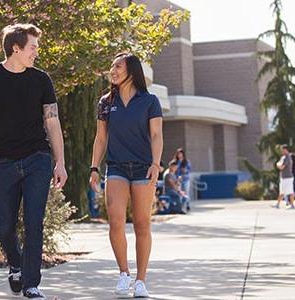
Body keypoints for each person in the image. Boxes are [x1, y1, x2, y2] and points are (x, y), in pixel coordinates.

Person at [0, 23, 67, 300]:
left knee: (34, 222)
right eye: (33, 47)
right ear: (15, 48)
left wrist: (59, 161)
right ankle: (15, 263)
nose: (37, 52)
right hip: (4, 162)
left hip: (38, 158)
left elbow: (52, 121)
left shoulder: (41, 80)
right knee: (4, 227)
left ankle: (31, 284)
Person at [89, 52, 163, 298]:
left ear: (132, 70)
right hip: (117, 167)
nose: (113, 70)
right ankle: (123, 273)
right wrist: (94, 168)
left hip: (144, 168)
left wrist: (155, 163)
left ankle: (141, 280)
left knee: (142, 223)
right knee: (116, 221)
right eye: (112, 66)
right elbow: (101, 138)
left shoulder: (150, 101)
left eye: (118, 66)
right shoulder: (106, 102)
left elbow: (156, 135)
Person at [273, 145, 295, 209]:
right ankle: (277, 204)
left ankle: (292, 205)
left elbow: (282, 167)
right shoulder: (283, 157)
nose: (282, 151)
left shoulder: (287, 157)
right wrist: (278, 165)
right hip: (283, 177)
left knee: (290, 191)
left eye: (283, 150)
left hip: (288, 177)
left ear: (286, 150)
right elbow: (279, 164)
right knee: (282, 191)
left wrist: (278, 166)